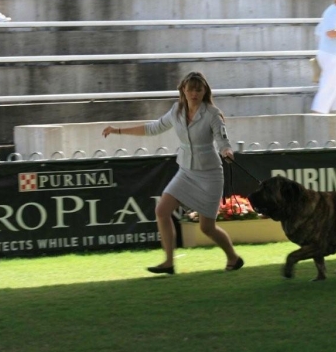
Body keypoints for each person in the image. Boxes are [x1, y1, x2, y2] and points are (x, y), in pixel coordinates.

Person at [102, 72, 244, 275]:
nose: (194, 93)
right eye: (191, 89)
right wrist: (118, 130)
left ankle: (233, 257)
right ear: (183, 90)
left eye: (199, 89)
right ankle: (169, 262)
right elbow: (153, 128)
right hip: (186, 171)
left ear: (205, 92)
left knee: (207, 228)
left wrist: (227, 151)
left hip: (210, 174)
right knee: (162, 210)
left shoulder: (212, 113)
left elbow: (223, 141)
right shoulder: (176, 111)